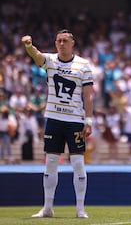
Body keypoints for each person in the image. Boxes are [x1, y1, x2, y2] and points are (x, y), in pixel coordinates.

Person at [21, 29, 93, 219]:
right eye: (58, 41)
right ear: (55, 44)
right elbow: (36, 56)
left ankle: (80, 209)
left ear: (72, 43)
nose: (61, 44)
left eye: (65, 41)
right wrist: (29, 45)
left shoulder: (83, 65)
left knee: (78, 163)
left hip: (75, 120)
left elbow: (88, 95)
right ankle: (47, 208)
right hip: (53, 118)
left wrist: (89, 119)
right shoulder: (50, 61)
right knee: (51, 163)